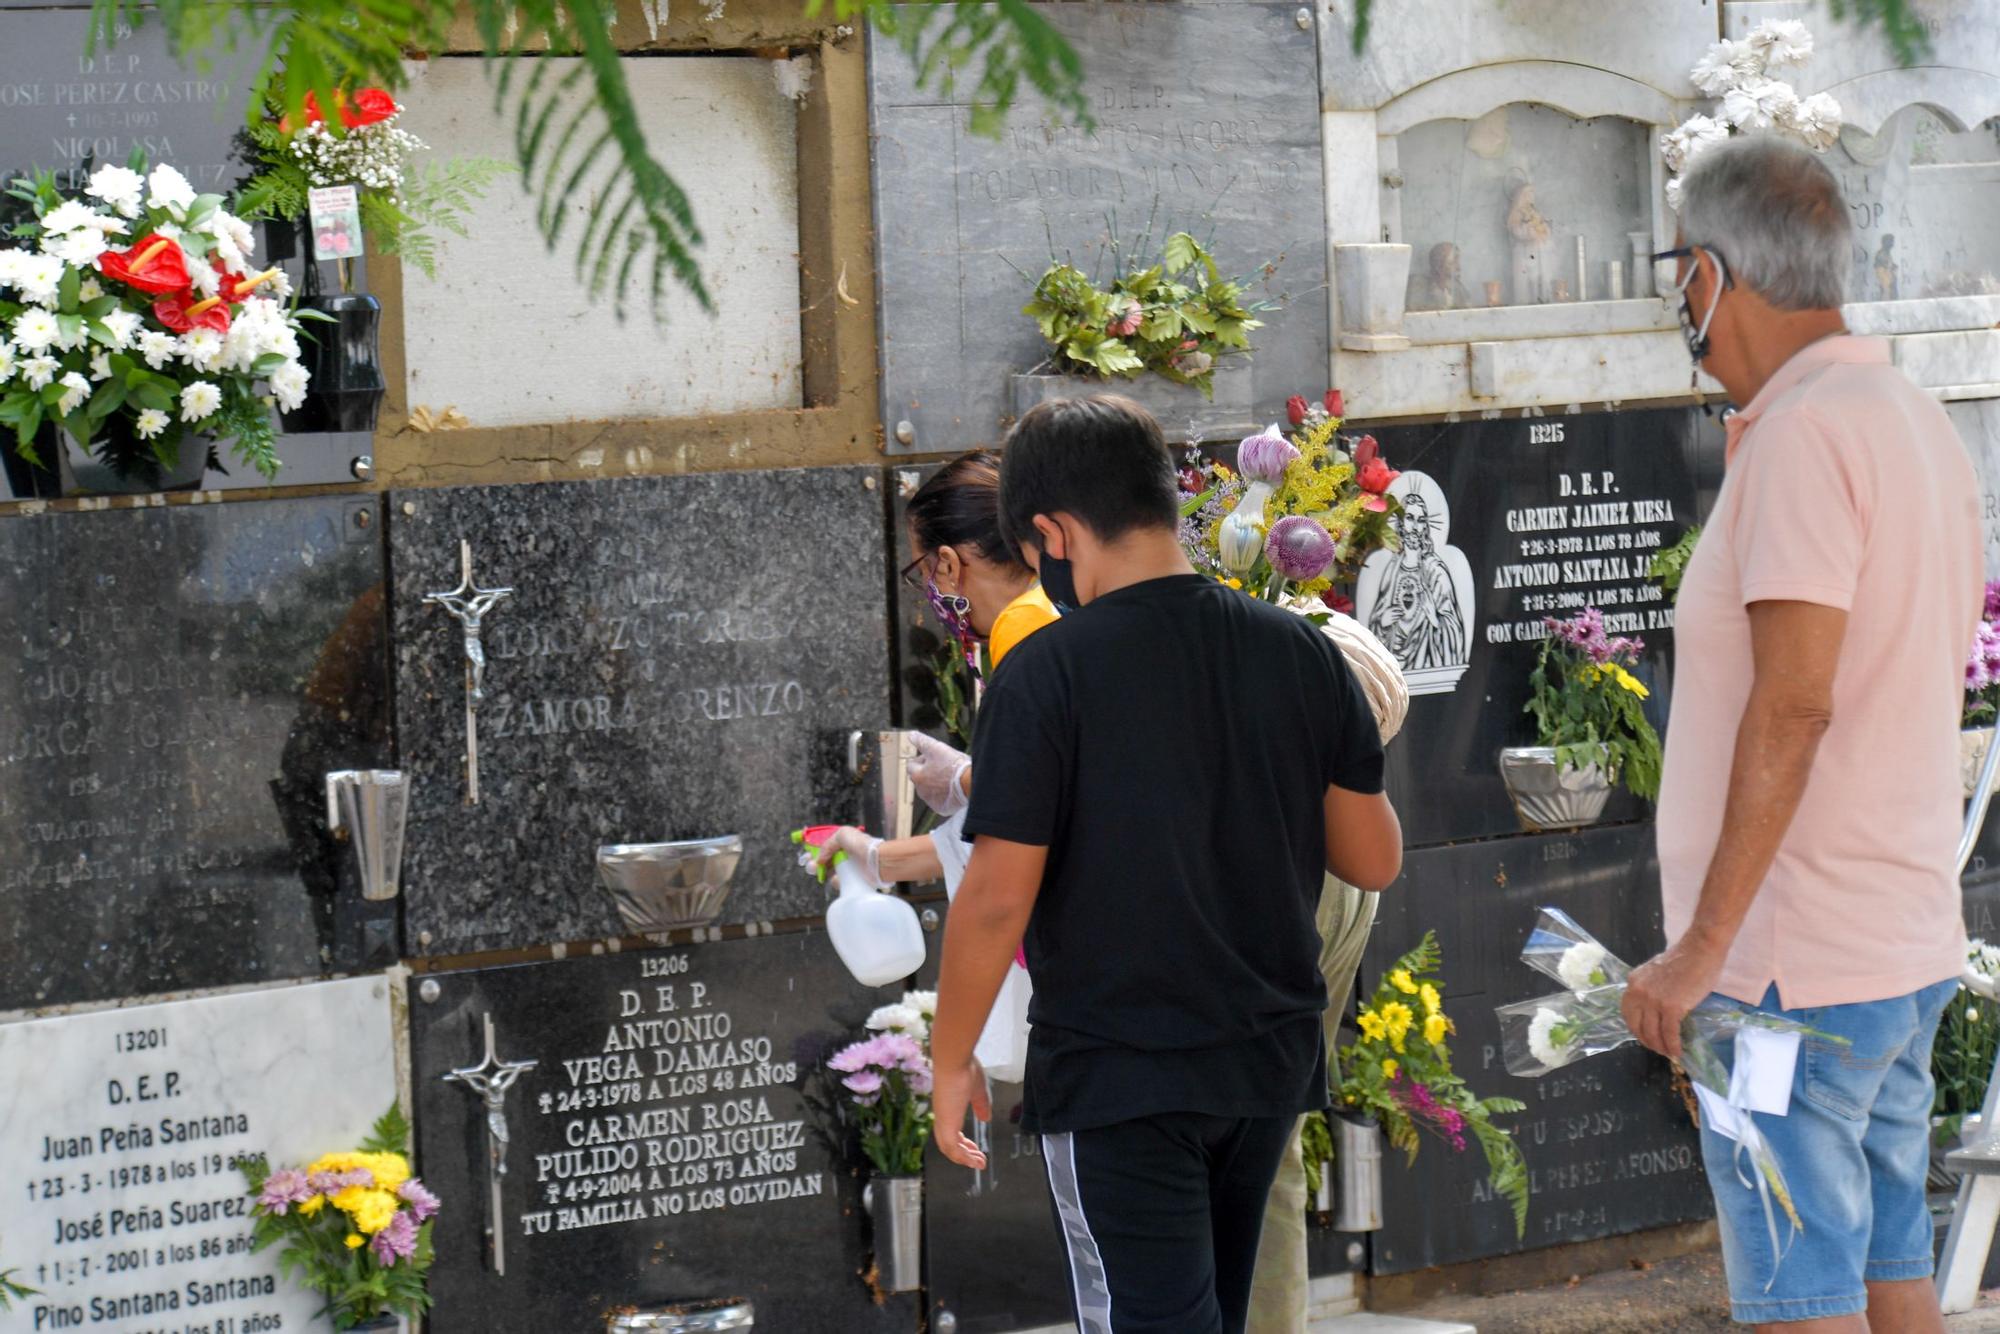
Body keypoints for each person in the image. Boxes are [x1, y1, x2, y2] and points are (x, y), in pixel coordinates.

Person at [929, 394, 1405, 1334]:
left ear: (1054, 532)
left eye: (1034, 555)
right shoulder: (1299, 652)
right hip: (1264, 1061)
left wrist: (951, 1063)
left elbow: (995, 902)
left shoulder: (1049, 674)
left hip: (1122, 1076)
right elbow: (1374, 857)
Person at [1622, 135, 1982, 1334]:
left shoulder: (1797, 435)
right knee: (1887, 1271)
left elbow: (1794, 700)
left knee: (1798, 1296)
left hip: (1786, 972)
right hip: (1895, 940)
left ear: (1713, 274)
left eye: (1679, 266)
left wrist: (1699, 952)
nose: (1676, 296)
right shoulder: (1910, 418)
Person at [814, 449, 1060, 885]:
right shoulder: (1059, 601)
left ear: (947, 563)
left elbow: (1039, 806)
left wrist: (967, 781)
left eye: (923, 571)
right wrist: (880, 858)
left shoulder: (1024, 624)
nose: (928, 592)